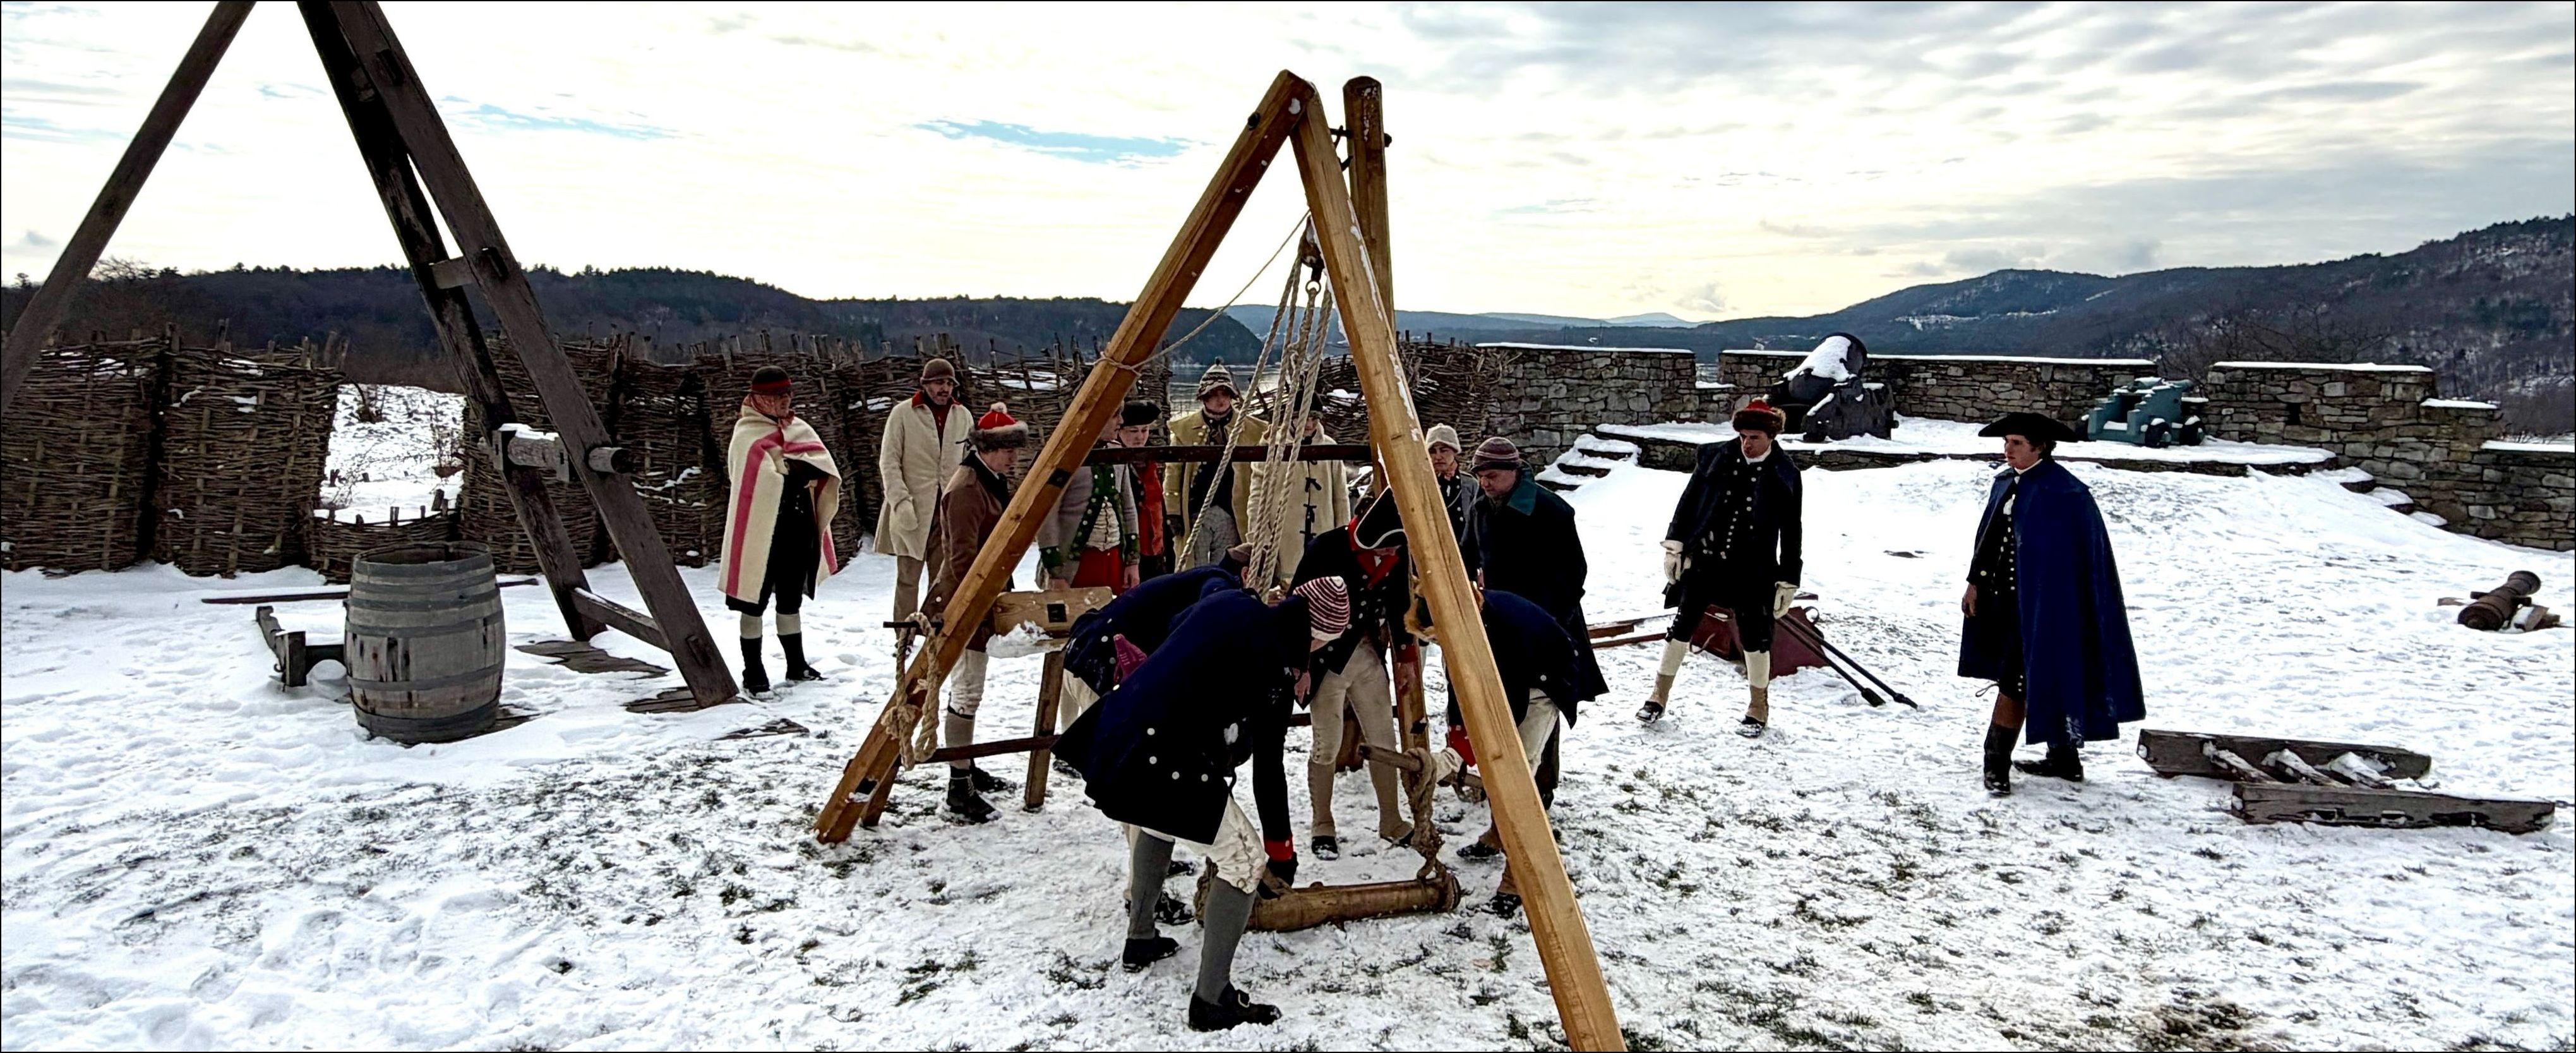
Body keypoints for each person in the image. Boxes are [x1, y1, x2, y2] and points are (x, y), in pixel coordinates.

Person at [1054, 576, 1353, 1032]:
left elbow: (1184, 643)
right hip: (1158, 755)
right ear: (1317, 634)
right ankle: (1212, 999)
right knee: (1244, 861)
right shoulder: (1273, 664)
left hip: (1121, 731)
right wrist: (1279, 851)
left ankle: (1141, 936)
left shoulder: (1231, 602)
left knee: (1159, 821)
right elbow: (1266, 766)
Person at [1960, 412, 2146, 797]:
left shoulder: (2066, 494)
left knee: (2021, 681)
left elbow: (2078, 563)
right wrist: (1974, 583)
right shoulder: (2006, 484)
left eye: (2017, 444)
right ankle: (2064, 759)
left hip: (2054, 607)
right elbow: (1989, 539)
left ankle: (1996, 762)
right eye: (2006, 442)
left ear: (2040, 447)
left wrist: (2057, 602)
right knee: (2032, 674)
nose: (2007, 451)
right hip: (2008, 604)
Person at [1639, 398, 1803, 735]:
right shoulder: (1714, 457)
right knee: (1681, 627)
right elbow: (1688, 503)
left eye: (1754, 437)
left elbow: (1792, 528)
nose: (1747, 442)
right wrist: (1676, 545)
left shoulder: (1785, 474)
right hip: (1706, 560)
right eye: (1743, 435)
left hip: (1753, 569)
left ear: (1771, 436)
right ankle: (1658, 697)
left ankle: (1758, 707)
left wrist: (1788, 578)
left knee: (1756, 639)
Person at [1420, 587, 1583, 916]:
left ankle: (1517, 878)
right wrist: (1456, 736)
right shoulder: (1463, 621)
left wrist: (1460, 754)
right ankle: (1498, 834)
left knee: (1516, 778)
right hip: (1516, 682)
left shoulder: (1497, 635)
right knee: (1500, 775)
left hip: (1541, 686)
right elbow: (1460, 686)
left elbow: (1506, 712)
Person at [1287, 493, 1418, 857]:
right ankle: (1322, 822)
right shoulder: (1325, 548)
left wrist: (1405, 657)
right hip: (1324, 661)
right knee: (1326, 743)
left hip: (1366, 654)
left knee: (1383, 738)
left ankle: (1391, 820)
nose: (1391, 557)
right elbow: (1295, 609)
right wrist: (1299, 667)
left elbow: (1399, 603)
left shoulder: (1397, 549)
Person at [922, 401, 1030, 823]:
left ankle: (965, 764)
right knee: (967, 691)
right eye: (1007, 450)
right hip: (965, 603)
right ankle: (958, 785)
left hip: (981, 597)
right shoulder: (968, 489)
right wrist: (979, 608)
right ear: (986, 449)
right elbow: (962, 559)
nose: (1013, 458)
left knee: (968, 690)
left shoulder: (986, 480)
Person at [719, 365, 842, 695]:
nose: (785, 401)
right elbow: (748, 479)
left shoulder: (798, 428)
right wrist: (788, 474)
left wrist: (802, 471)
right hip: (761, 530)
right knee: (752, 601)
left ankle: (796, 663)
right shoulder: (747, 433)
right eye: (777, 396)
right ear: (759, 399)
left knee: (791, 598)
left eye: (788, 394)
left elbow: (821, 465)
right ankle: (753, 670)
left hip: (797, 525)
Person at [1461, 435, 1607, 713]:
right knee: (1508, 696)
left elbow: (1574, 572)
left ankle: (1541, 758)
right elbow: (1467, 553)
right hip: (1499, 616)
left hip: (1544, 616)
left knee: (1547, 696)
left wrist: (1550, 621)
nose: (1484, 483)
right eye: (1480, 477)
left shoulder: (1551, 510)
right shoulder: (1481, 506)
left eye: (1491, 475)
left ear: (1514, 472)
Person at [875, 358, 971, 624]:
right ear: (926, 385)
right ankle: (903, 633)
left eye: (949, 384)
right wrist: (900, 502)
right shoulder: (903, 414)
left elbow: (968, 461)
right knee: (908, 577)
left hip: (946, 511)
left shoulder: (962, 416)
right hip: (913, 509)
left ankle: (935, 628)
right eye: (939, 383)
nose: (945, 389)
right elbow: (889, 461)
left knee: (942, 576)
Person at [1165, 363, 1269, 570]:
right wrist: (1173, 511)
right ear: (1204, 398)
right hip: (1196, 512)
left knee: (1227, 567)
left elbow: (1265, 474)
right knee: (1195, 569)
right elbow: (1173, 474)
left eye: (1225, 394)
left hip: (1234, 512)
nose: (1221, 400)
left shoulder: (1254, 430)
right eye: (1214, 395)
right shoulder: (1183, 430)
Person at [1245, 395, 1349, 588]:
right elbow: (1258, 496)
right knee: (1283, 591)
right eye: (1303, 418)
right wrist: (1260, 536)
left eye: (1314, 418)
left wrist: (1342, 539)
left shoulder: (1330, 448)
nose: (1309, 424)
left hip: (1323, 538)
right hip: (1284, 540)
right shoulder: (1272, 447)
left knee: (1321, 590)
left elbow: (1340, 498)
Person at [1037, 409, 1142, 595]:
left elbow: (1128, 507)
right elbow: (1047, 513)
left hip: (1114, 561)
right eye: (1115, 415)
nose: (1121, 421)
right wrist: (1055, 572)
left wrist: (1132, 561)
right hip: (1076, 565)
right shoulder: (1065, 456)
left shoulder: (1117, 453)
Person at [1121, 400, 1174, 581]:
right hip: (1131, 549)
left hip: (1155, 548)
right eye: (1133, 431)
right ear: (1120, 432)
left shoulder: (1151, 463)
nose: (1140, 437)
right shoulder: (1117, 464)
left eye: (1144, 430)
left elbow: (1159, 505)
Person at [1424, 424, 1473, 543]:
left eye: (1444, 450)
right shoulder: (1422, 484)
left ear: (1455, 452)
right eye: (1432, 451)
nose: (1438, 456)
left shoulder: (1470, 484)